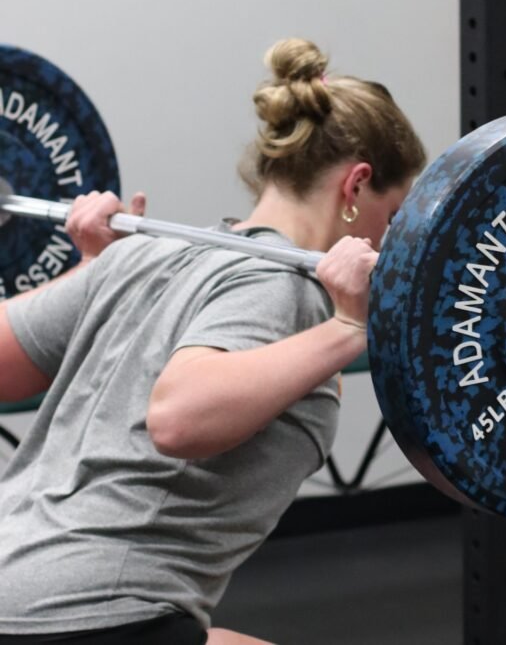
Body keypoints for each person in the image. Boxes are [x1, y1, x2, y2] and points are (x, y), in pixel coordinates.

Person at [0, 38, 426, 644]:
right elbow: (178, 418)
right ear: (356, 188)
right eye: (394, 214)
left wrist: (91, 267)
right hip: (89, 614)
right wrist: (346, 328)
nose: (389, 244)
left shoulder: (141, 253)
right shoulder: (286, 287)